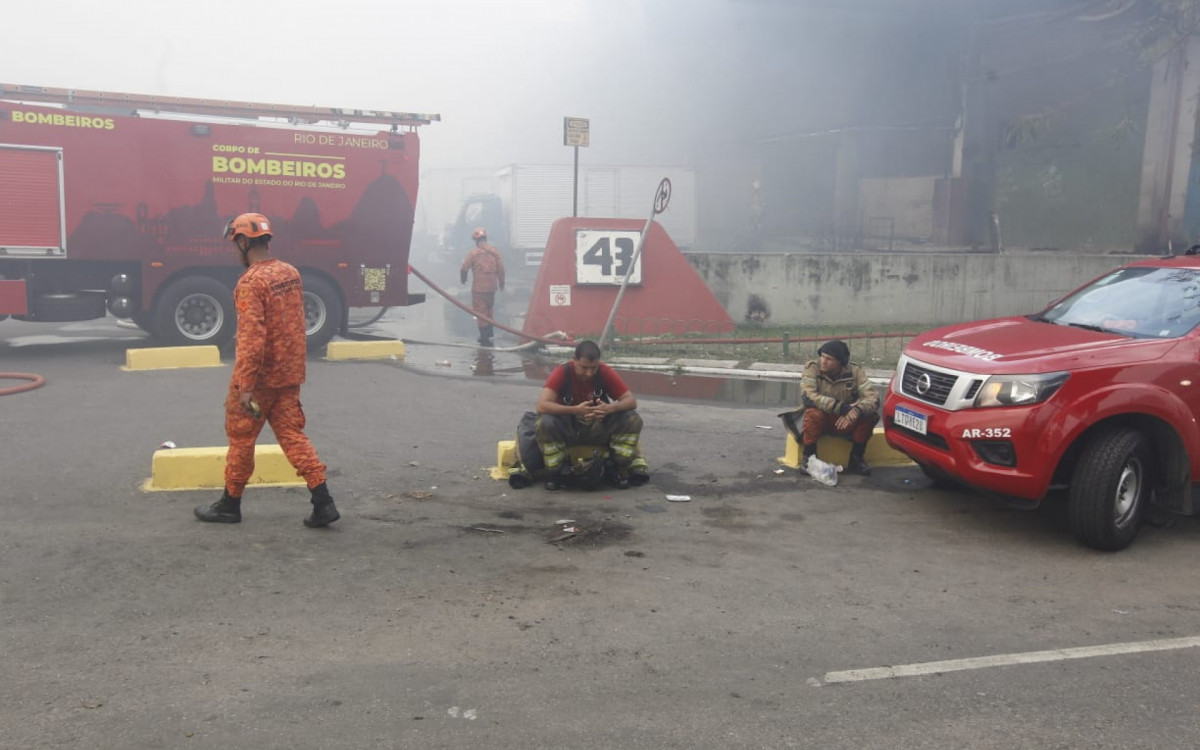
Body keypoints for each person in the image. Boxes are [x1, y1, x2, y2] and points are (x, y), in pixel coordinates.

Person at [194, 212, 340, 528]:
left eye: (235, 243)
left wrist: (245, 386)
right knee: (291, 434)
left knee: (241, 438)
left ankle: (230, 504)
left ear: (244, 242)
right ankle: (323, 501)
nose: (235, 250)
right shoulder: (290, 273)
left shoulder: (251, 283)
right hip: (289, 373)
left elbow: (251, 338)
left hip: (259, 378)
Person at [535, 340, 648, 490]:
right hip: (568, 430)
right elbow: (542, 405)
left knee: (632, 419)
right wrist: (575, 410)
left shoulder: (605, 372)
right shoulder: (562, 372)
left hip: (598, 429)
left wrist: (609, 408)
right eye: (584, 367)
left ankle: (618, 467)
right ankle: (554, 471)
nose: (589, 373)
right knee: (545, 422)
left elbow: (631, 401)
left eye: (593, 368)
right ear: (574, 360)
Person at [779, 339, 880, 476]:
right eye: (822, 356)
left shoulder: (855, 371)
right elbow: (808, 396)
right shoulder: (812, 368)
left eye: (829, 359)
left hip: (846, 420)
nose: (823, 361)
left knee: (870, 415)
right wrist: (841, 407)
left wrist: (857, 410)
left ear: (840, 363)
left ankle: (856, 458)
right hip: (822, 419)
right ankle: (809, 457)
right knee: (813, 413)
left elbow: (873, 398)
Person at [460, 227, 505, 347]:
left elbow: (464, 268)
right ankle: (490, 335)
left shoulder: (473, 253)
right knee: (489, 310)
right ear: (485, 238)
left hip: (479, 289)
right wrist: (501, 283)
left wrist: (463, 279)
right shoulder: (495, 252)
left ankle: (485, 339)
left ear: (476, 240)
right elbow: (501, 269)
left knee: (481, 313)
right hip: (492, 288)